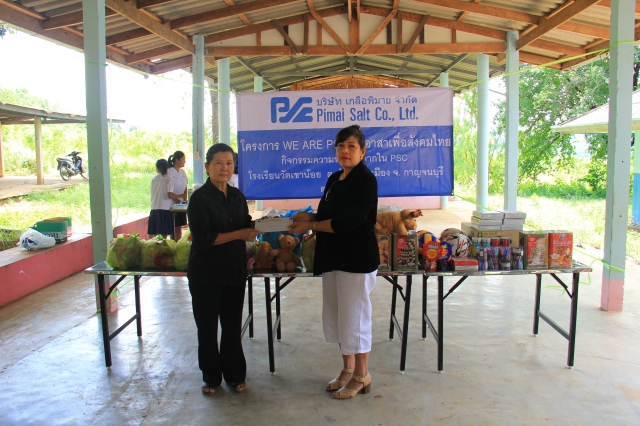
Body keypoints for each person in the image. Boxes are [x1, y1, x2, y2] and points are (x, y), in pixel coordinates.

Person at [288, 125, 378, 400]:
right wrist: (307, 218)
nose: (345, 151)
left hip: (356, 259)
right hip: (333, 256)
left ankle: (362, 374)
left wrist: (312, 225)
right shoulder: (334, 179)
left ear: (362, 151)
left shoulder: (366, 180)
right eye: (340, 146)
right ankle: (347, 368)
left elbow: (349, 221)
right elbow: (327, 214)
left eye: (351, 146)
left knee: (356, 318)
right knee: (339, 317)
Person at [187, 143, 262, 396]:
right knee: (207, 328)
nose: (225, 168)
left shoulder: (238, 196)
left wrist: (264, 226)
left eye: (229, 163)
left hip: (234, 272)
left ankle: (235, 375)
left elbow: (245, 225)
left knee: (231, 327)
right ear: (207, 166)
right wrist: (240, 234)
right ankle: (211, 377)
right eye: (218, 163)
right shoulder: (199, 198)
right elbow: (204, 239)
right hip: (206, 275)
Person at [147, 159, 173, 239]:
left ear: (157, 169)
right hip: (165, 209)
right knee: (164, 236)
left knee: (154, 234)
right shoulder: (168, 178)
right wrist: (181, 196)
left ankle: (153, 246)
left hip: (154, 207)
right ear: (167, 168)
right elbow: (170, 195)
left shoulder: (154, 179)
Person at [167, 150, 189, 240]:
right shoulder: (169, 171)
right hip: (171, 203)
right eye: (183, 159)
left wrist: (184, 199)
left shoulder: (182, 172)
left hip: (181, 204)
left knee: (179, 226)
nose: (185, 161)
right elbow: (169, 191)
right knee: (173, 227)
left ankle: (178, 244)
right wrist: (177, 201)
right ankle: (173, 244)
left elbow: (185, 186)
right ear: (177, 160)